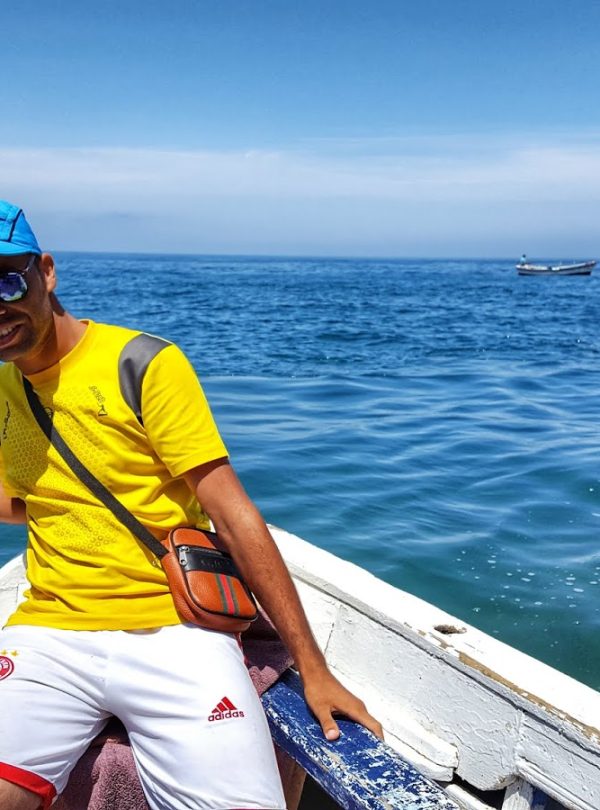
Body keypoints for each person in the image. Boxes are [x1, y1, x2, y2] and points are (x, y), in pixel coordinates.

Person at [0, 201, 382, 810]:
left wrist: (313, 668)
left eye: (7, 282)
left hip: (175, 629)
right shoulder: (4, 384)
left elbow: (232, 514)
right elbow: (28, 502)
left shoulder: (141, 364)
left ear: (46, 271)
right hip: (49, 629)